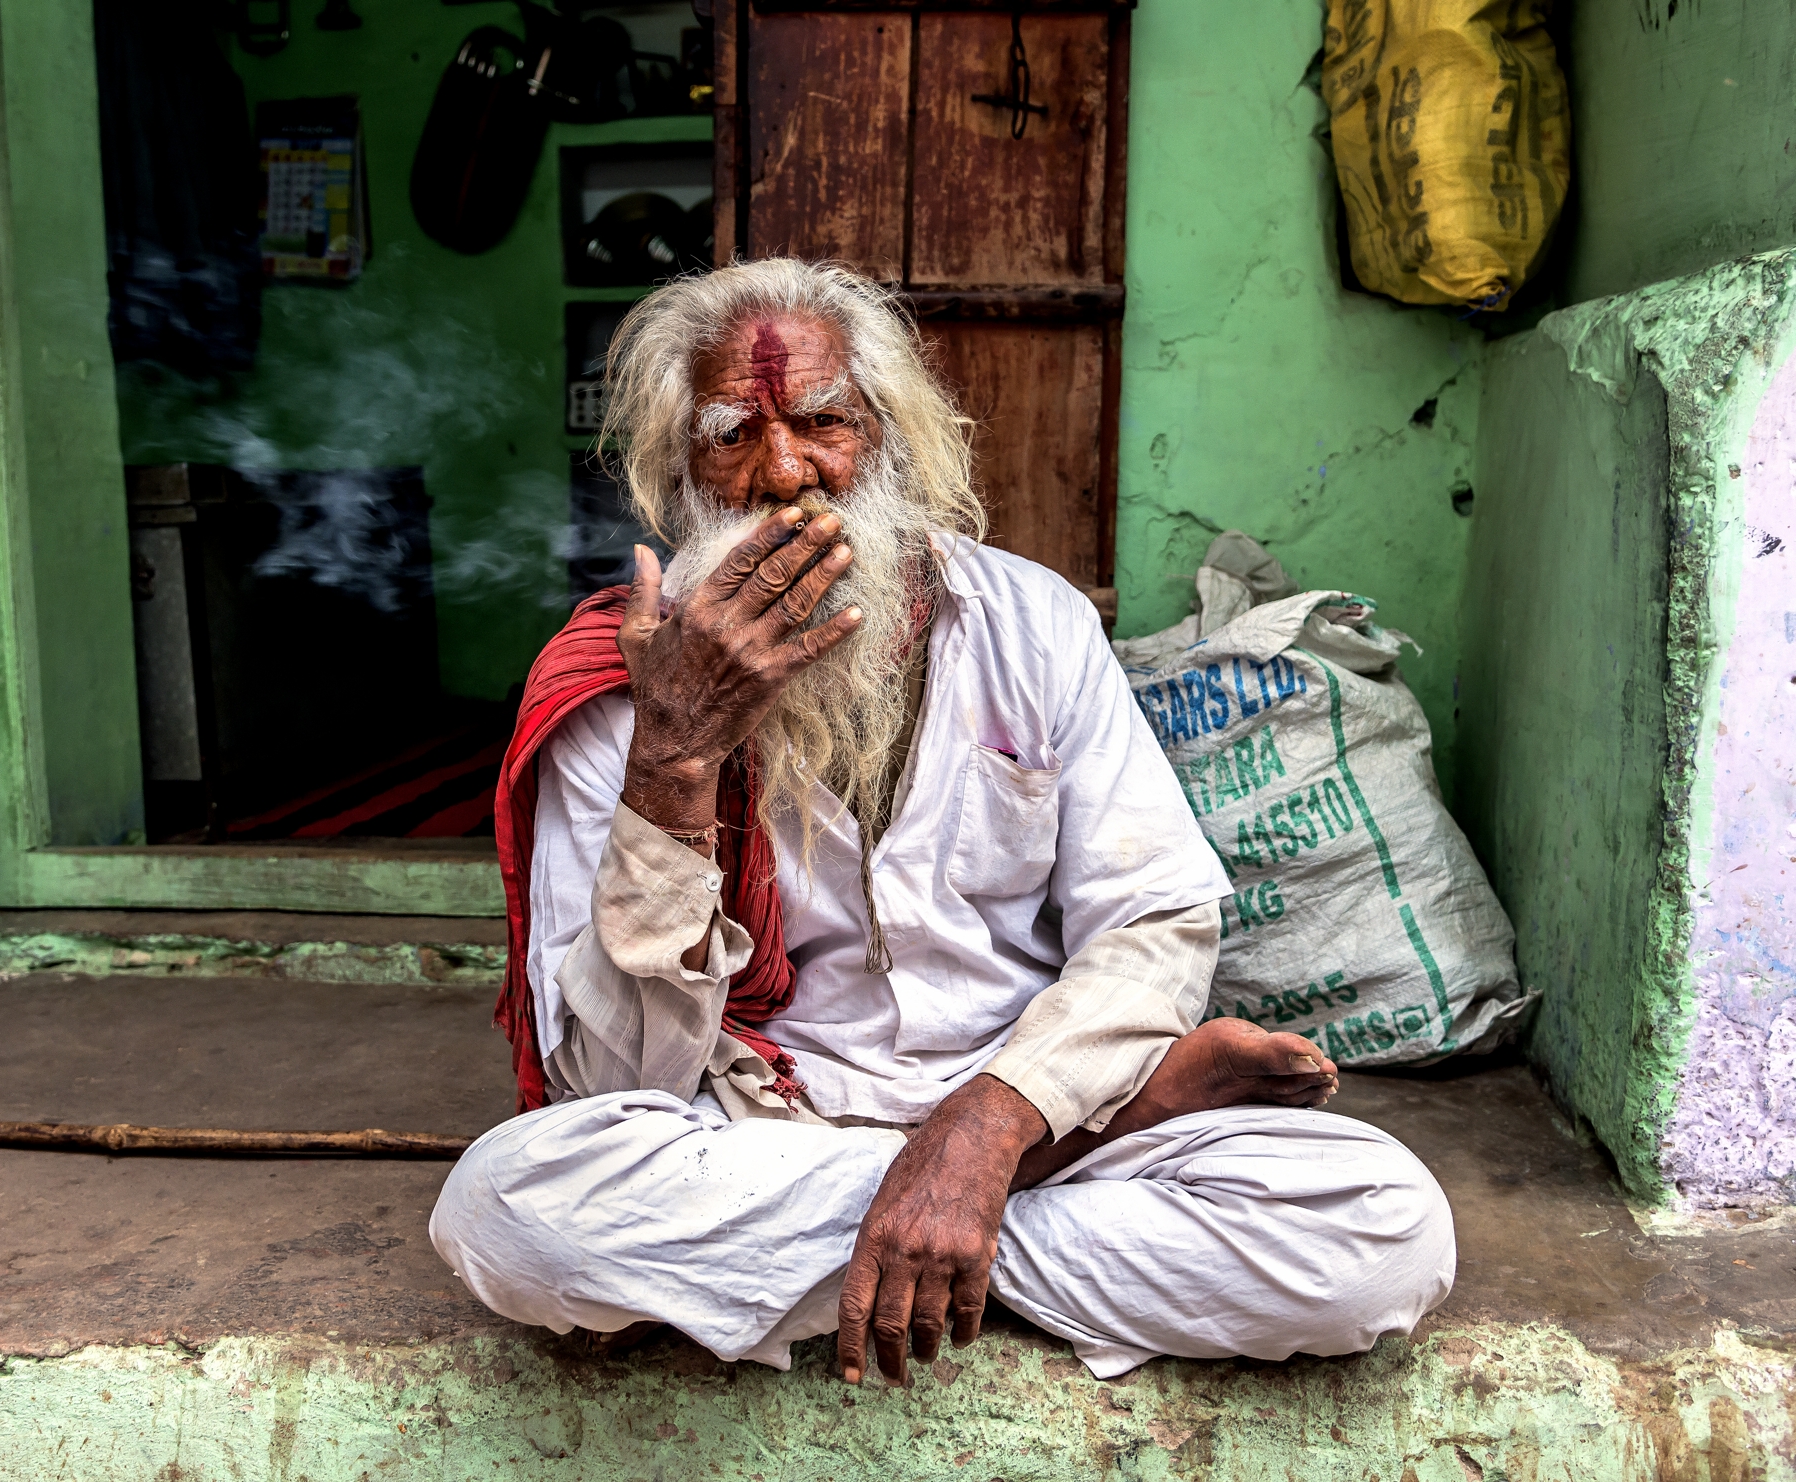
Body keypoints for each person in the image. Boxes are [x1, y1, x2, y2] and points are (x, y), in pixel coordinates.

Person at [431, 259, 1454, 1384]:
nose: (784, 473)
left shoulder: (1033, 623)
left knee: (1383, 1231)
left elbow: (1154, 922)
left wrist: (989, 1126)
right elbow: (616, 1085)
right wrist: (674, 760)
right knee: (507, 1213)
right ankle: (1003, 1205)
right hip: (763, 1130)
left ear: (889, 432)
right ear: (681, 468)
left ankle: (884, 1240)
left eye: (821, 421)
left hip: (1015, 1095)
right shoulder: (627, 684)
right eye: (733, 435)